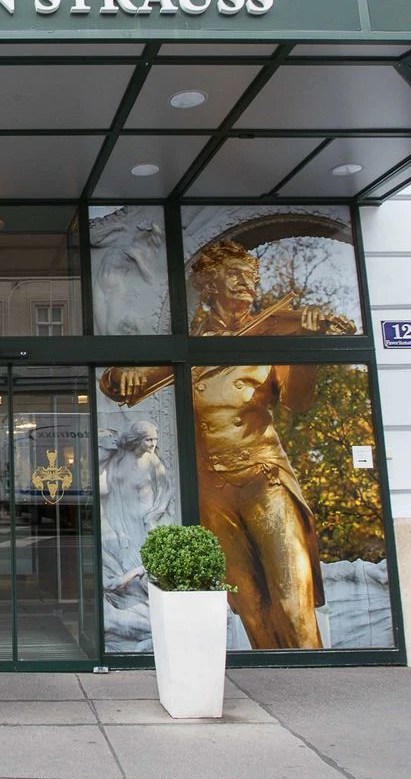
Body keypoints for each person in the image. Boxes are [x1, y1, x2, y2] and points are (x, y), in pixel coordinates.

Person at [104, 239, 347, 650]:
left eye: (252, 277)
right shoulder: (190, 343)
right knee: (250, 607)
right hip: (213, 494)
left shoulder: (270, 334)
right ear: (209, 284)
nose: (248, 283)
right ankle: (274, 675)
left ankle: (313, 678)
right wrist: (120, 377)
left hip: (264, 478)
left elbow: (299, 402)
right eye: (235, 275)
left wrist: (306, 349)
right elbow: (120, 383)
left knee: (293, 603)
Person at [98, 420, 174, 652]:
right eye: (148, 440)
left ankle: (151, 616)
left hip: (144, 522)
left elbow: (166, 489)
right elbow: (106, 490)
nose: (152, 444)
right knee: (124, 564)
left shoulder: (152, 461)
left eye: (155, 440)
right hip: (122, 520)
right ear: (137, 439)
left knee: (145, 567)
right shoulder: (119, 459)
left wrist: (154, 516)